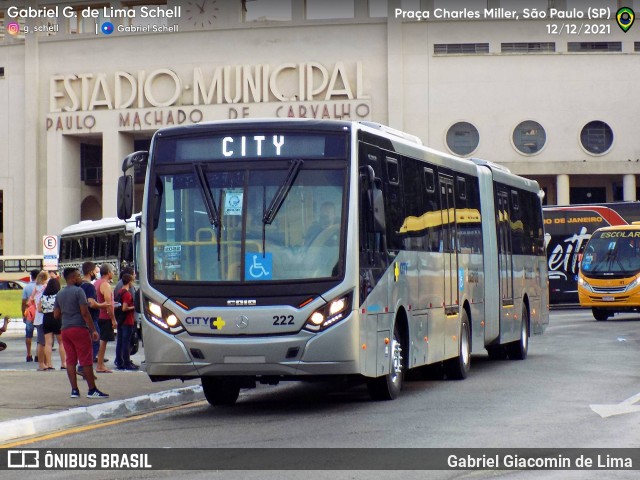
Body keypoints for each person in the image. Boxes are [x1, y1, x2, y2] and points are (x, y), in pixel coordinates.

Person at [54, 267, 108, 399]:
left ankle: (74, 390)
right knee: (86, 360)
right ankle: (92, 389)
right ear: (72, 278)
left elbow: (56, 315)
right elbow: (85, 312)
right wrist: (93, 330)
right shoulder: (79, 291)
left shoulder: (60, 293)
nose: (80, 278)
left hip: (65, 329)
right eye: (78, 276)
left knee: (71, 360)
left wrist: (67, 313)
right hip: (79, 328)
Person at [78, 261, 106, 378]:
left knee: (86, 345)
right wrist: (103, 305)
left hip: (81, 319)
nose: (96, 273)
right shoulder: (89, 286)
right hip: (91, 319)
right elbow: (90, 303)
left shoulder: (80, 286)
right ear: (90, 272)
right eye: (96, 271)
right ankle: (84, 368)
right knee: (94, 344)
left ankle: (84, 368)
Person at [95, 263, 117, 373]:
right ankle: (100, 365)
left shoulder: (97, 283)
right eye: (112, 271)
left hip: (98, 315)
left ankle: (100, 364)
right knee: (103, 341)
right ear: (108, 273)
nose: (113, 273)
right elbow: (108, 303)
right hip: (104, 316)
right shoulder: (105, 285)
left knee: (101, 340)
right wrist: (113, 319)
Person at [41, 277, 66, 370]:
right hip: (58, 318)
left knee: (48, 343)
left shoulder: (43, 296)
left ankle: (49, 364)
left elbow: (39, 309)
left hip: (46, 318)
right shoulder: (59, 295)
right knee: (61, 342)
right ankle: (63, 363)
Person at [115, 273, 138, 371]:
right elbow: (124, 308)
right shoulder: (127, 294)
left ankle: (119, 362)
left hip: (120, 320)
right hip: (127, 320)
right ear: (129, 282)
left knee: (120, 342)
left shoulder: (120, 291)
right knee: (126, 342)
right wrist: (134, 306)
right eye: (132, 281)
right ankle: (127, 362)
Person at [21, 269, 40, 362]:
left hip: (29, 314)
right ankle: (38, 354)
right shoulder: (42, 287)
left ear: (31, 276)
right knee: (40, 335)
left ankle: (28, 354)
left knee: (29, 335)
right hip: (39, 313)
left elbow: (23, 302)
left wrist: (23, 315)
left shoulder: (26, 287)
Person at [32, 270, 49, 371]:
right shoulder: (45, 287)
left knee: (42, 342)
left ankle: (43, 363)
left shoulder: (36, 288)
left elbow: (31, 298)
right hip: (43, 317)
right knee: (43, 342)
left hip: (38, 317)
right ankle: (42, 363)